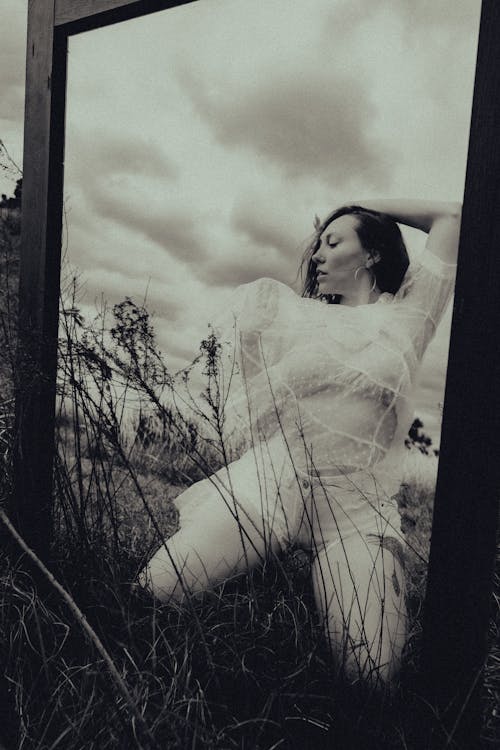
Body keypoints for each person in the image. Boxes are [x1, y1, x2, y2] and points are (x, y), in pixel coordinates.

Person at [138, 200, 460, 687]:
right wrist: (251, 343)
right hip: (272, 485)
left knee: (370, 675)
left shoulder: (410, 320)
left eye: (334, 242)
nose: (317, 256)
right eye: (318, 246)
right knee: (153, 595)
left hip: (355, 510)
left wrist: (358, 201)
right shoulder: (291, 316)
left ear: (371, 254)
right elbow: (251, 415)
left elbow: (450, 217)